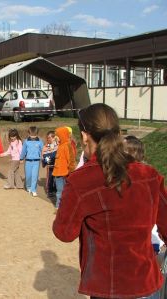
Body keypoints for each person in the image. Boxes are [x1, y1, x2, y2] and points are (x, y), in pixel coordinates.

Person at [53, 103, 167, 299]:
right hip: (147, 281)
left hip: (109, 285)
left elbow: (64, 233)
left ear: (84, 136)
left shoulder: (82, 180)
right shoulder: (149, 174)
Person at [53, 126, 76, 208]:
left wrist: (71, 172)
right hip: (58, 173)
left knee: (66, 191)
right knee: (59, 191)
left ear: (62, 136)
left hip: (65, 173)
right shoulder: (59, 146)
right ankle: (58, 207)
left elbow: (71, 160)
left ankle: (66, 206)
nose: (55, 138)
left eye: (57, 136)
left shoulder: (67, 146)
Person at [20, 126, 43, 197]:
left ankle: (33, 190)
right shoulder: (26, 142)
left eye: (35, 135)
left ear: (37, 134)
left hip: (36, 162)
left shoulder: (40, 141)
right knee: (28, 176)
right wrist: (21, 158)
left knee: (35, 176)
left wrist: (43, 157)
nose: (33, 136)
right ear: (28, 133)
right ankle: (28, 186)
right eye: (31, 135)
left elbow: (43, 150)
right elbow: (23, 151)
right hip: (28, 161)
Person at [41, 131, 58, 197]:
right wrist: (45, 160)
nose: (49, 139)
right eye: (47, 138)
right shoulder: (46, 145)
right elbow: (43, 154)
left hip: (56, 165)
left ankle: (55, 190)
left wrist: (51, 152)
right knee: (50, 178)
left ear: (54, 138)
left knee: (56, 178)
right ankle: (50, 191)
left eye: (50, 137)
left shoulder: (57, 144)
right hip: (50, 164)